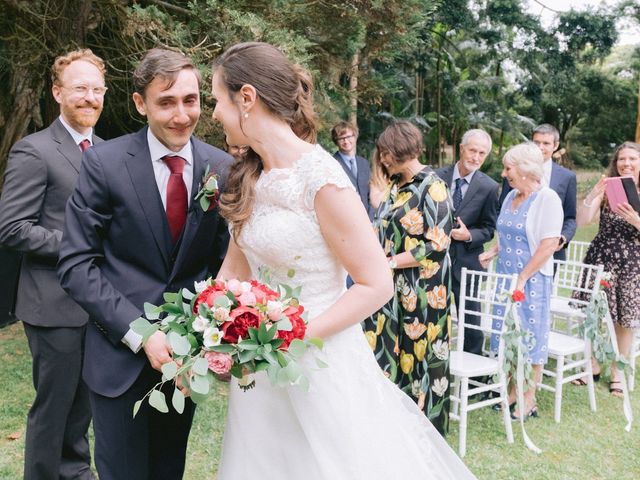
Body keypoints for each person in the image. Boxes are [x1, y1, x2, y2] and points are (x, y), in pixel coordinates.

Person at [210, 42, 475, 479]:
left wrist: (292, 337)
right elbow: (233, 272)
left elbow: (376, 284)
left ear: (247, 98)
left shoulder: (321, 177)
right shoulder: (249, 175)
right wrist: (205, 331)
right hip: (258, 373)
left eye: (218, 99)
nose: (215, 112)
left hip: (318, 362)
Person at [57, 48, 233, 480]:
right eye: (166, 102)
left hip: (185, 362)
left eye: (189, 100)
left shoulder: (223, 167)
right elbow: (77, 264)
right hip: (119, 360)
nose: (180, 115)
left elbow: (223, 264)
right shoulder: (105, 163)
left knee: (169, 470)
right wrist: (142, 334)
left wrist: (210, 335)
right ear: (140, 103)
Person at [0, 49, 106, 480]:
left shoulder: (106, 151)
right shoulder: (34, 151)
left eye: (98, 89)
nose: (91, 97)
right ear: (57, 92)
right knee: (54, 405)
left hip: (94, 302)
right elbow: (12, 228)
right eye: (80, 88)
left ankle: (76, 473)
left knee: (82, 404)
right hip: (52, 301)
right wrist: (78, 246)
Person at [361, 121, 454, 436]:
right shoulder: (395, 185)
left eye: (385, 153)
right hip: (391, 290)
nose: (382, 159)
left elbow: (437, 243)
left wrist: (389, 262)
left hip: (424, 292)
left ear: (399, 149)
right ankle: (393, 430)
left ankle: (424, 433)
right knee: (389, 354)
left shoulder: (434, 186)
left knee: (420, 360)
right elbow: (381, 227)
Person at [480, 143, 563, 420]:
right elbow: (506, 235)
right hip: (506, 278)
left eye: (508, 168)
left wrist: (523, 277)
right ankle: (513, 391)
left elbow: (549, 244)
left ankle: (529, 399)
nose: (504, 174)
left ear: (526, 170)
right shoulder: (510, 196)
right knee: (508, 336)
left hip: (532, 280)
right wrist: (493, 252)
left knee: (530, 338)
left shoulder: (547, 199)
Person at [575, 141, 640, 396]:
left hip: (631, 261)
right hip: (601, 256)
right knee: (594, 313)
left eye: (632, 159)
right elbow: (583, 221)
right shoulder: (610, 188)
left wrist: (635, 220)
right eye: (622, 159)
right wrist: (594, 194)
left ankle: (618, 372)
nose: (626, 163)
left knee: (622, 320)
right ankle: (592, 365)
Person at [436, 128, 499, 355]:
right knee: (434, 317)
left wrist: (469, 235)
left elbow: (489, 229)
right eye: (473, 150)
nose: (476, 157)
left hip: (467, 261)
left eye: (482, 153)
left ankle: (475, 376)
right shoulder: (435, 177)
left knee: (470, 318)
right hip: (434, 260)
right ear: (462, 149)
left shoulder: (489, 187)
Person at [499, 124, 576, 262]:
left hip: (551, 253)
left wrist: (562, 238)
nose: (540, 147)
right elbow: (502, 210)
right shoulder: (513, 174)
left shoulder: (567, 177)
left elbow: (570, 217)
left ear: (555, 145)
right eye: (536, 142)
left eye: (546, 143)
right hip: (515, 251)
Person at [331, 121, 374, 219]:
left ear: (355, 137)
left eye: (349, 137)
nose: (346, 141)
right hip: (345, 220)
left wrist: (371, 219)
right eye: (341, 138)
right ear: (336, 141)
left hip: (368, 220)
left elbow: (371, 193)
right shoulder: (332, 164)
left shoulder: (364, 163)